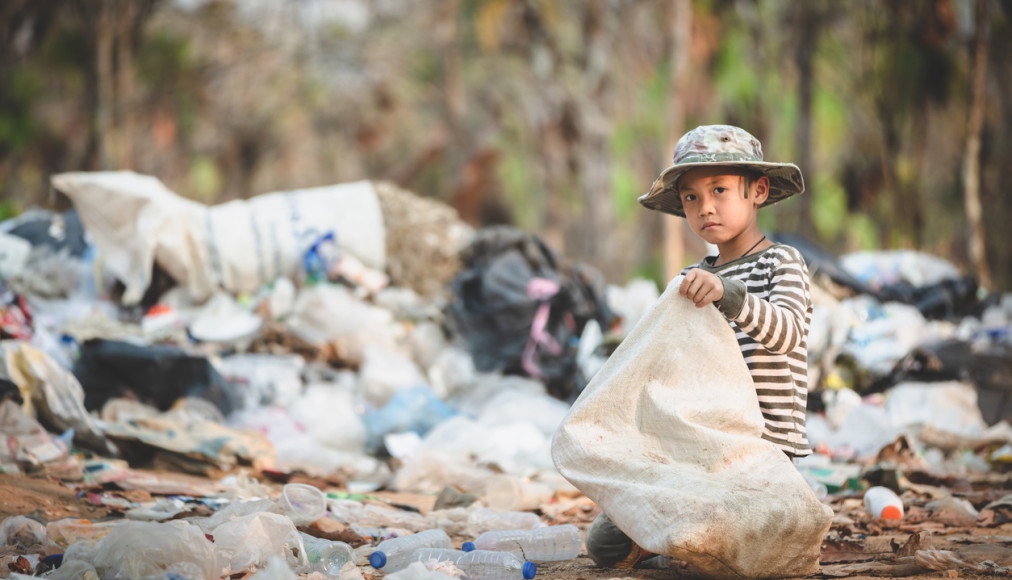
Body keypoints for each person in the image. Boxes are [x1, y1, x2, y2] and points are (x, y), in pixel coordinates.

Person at [584, 124, 813, 568]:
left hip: (762, 453)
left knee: (729, 541)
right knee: (605, 543)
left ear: (758, 191)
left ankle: (693, 552)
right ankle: (679, 549)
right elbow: (670, 362)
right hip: (700, 447)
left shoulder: (781, 262)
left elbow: (787, 333)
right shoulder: (690, 278)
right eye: (691, 197)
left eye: (720, 190)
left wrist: (728, 293)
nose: (706, 207)